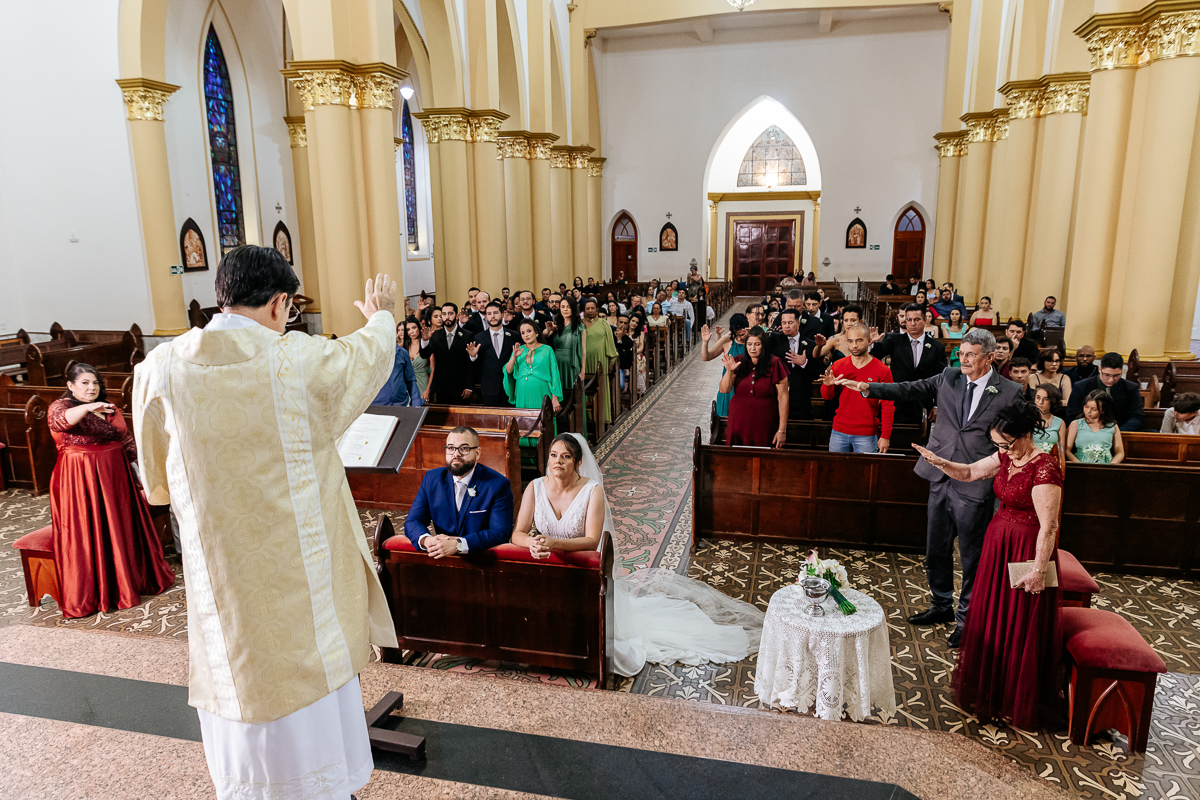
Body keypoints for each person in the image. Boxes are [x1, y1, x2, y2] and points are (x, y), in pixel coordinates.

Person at [133, 248, 400, 799]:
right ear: (281, 304)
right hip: (301, 590)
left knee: (239, 677)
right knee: (310, 680)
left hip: (224, 584)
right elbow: (365, 357)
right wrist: (382, 315)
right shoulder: (295, 362)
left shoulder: (158, 368)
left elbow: (155, 479)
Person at [510, 434, 764, 675]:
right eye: (553, 455)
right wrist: (532, 543)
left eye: (565, 457)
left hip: (582, 568)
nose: (557, 461)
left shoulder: (592, 491)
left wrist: (555, 544)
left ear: (578, 463)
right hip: (546, 566)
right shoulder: (535, 487)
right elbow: (517, 534)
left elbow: (592, 540)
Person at [841, 329, 1025, 647]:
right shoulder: (948, 376)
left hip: (976, 482)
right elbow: (910, 389)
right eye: (961, 353)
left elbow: (1015, 438)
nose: (963, 359)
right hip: (939, 475)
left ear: (990, 357)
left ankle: (967, 620)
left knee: (971, 556)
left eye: (971, 354)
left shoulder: (1009, 391)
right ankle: (941, 605)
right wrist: (871, 388)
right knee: (935, 549)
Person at [914, 403, 1063, 731]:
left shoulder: (1044, 468)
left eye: (1006, 443)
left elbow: (1049, 526)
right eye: (997, 444)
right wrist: (941, 463)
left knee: (1019, 621)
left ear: (1026, 434)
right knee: (995, 615)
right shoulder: (1008, 456)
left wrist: (1038, 571)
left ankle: (1015, 698)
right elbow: (969, 472)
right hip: (999, 543)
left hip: (1027, 549)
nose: (1001, 450)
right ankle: (991, 690)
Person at [49, 363, 174, 619]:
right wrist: (87, 408)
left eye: (94, 383)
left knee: (121, 527)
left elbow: (126, 441)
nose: (91, 387)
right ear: (71, 386)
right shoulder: (61, 407)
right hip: (79, 478)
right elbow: (61, 423)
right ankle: (93, 593)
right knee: (86, 528)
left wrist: (152, 468)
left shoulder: (110, 408)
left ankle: (130, 583)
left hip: (115, 476)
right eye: (84, 383)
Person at [404, 426, 515, 554]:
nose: (456, 454)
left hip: (481, 558)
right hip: (441, 556)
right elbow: (413, 521)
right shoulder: (432, 479)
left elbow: (500, 532)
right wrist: (427, 540)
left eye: (464, 448)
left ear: (477, 453)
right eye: (451, 448)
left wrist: (459, 545)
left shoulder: (498, 485)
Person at [868, 303, 948, 425]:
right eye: (909, 320)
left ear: (925, 320)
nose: (912, 323)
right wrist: (871, 344)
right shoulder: (895, 340)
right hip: (897, 403)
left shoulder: (937, 347)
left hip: (923, 406)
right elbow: (878, 353)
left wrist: (937, 405)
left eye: (917, 319)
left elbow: (941, 378)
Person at [821, 324, 894, 453]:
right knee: (834, 470)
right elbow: (828, 397)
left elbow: (888, 405)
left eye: (859, 340)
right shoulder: (838, 365)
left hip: (867, 433)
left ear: (869, 341)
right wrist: (828, 386)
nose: (854, 345)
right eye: (850, 341)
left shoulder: (882, 370)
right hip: (839, 430)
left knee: (866, 472)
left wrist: (885, 435)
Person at [718, 327, 789, 448]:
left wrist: (782, 430)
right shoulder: (738, 361)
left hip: (764, 421)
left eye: (757, 344)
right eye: (749, 344)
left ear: (764, 345)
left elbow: (783, 398)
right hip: (739, 419)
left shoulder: (775, 363)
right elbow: (724, 389)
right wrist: (729, 371)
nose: (752, 348)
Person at [503, 319, 563, 435]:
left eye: (529, 331)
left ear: (536, 332)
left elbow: (554, 374)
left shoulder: (547, 349)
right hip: (522, 394)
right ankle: (526, 448)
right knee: (524, 423)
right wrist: (514, 357)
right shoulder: (518, 350)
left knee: (544, 423)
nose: (526, 335)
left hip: (542, 393)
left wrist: (555, 398)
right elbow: (508, 370)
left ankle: (546, 448)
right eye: (523, 333)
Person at [769, 309, 824, 421]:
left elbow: (819, 371)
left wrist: (804, 363)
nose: (786, 326)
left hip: (801, 401)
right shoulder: (773, 342)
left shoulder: (810, 345)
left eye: (790, 323)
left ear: (798, 322)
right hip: (777, 400)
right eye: (784, 323)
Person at [1066, 352, 1144, 431]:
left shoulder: (1131, 388)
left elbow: (1136, 416)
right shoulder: (1081, 387)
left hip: (1121, 432)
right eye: (1107, 375)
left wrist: (1116, 433)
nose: (1111, 380)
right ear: (1100, 369)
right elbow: (1073, 416)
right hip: (1088, 433)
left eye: (1116, 375)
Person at [422, 301, 475, 403]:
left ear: (456, 315)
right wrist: (424, 341)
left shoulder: (467, 335)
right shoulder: (435, 335)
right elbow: (425, 355)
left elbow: (470, 364)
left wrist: (469, 387)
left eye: (450, 314)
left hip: (461, 387)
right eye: (444, 314)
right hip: (441, 387)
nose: (447, 317)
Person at [468, 300, 518, 407]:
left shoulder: (514, 336)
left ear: (502, 314)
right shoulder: (478, 337)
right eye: (489, 314)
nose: (492, 316)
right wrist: (473, 356)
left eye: (495, 313)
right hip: (489, 388)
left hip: (510, 386)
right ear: (486, 316)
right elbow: (475, 367)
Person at [703, 314, 750, 417]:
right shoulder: (727, 340)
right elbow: (706, 357)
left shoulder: (753, 342)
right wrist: (705, 342)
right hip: (728, 387)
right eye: (737, 335)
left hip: (746, 388)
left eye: (742, 334)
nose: (740, 338)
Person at [582, 297, 619, 425]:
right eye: (588, 308)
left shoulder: (604, 324)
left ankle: (602, 417)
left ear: (597, 309)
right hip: (584, 362)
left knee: (600, 389)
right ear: (584, 310)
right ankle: (587, 419)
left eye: (593, 308)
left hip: (600, 361)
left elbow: (610, 343)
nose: (590, 310)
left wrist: (610, 362)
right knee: (585, 388)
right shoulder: (580, 324)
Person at [1067, 390, 1125, 464]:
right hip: (1081, 465)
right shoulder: (1076, 424)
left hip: (1106, 467)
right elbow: (1067, 450)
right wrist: (1079, 465)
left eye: (1094, 409)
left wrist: (1111, 465)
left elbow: (1120, 453)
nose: (1088, 411)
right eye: (1086, 407)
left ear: (1103, 410)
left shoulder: (1112, 426)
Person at [548, 295, 586, 403]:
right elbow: (544, 336)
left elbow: (583, 350)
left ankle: (574, 419)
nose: (565, 309)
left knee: (573, 395)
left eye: (568, 307)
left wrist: (583, 370)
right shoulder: (556, 326)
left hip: (572, 364)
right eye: (562, 306)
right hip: (556, 363)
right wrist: (548, 330)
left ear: (573, 308)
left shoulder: (579, 326)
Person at [372, 323, 421, 406]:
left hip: (400, 404)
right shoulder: (369, 355)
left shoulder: (402, 353)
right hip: (377, 405)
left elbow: (411, 380)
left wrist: (416, 403)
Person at [1032, 385, 1066, 463]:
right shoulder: (1028, 420)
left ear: (1053, 401)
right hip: (1031, 462)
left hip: (1052, 463)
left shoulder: (1060, 422)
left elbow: (1061, 451)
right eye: (1038, 397)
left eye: (1046, 399)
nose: (1040, 402)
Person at [404, 317, 433, 405]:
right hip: (407, 386)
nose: (411, 331)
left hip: (424, 384)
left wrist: (428, 389)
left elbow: (433, 370)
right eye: (408, 329)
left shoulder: (427, 344)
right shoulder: (404, 347)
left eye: (414, 328)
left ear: (419, 328)